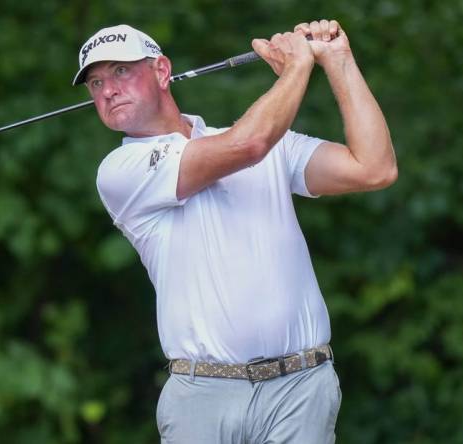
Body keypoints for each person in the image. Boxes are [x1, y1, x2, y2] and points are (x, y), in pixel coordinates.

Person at [73, 20, 397, 443]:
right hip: (203, 396)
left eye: (120, 71)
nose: (108, 90)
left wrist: (338, 62)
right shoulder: (119, 172)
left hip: (299, 390)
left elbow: (374, 168)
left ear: (162, 71)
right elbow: (248, 146)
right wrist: (298, 67)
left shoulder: (271, 143)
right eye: (95, 82)